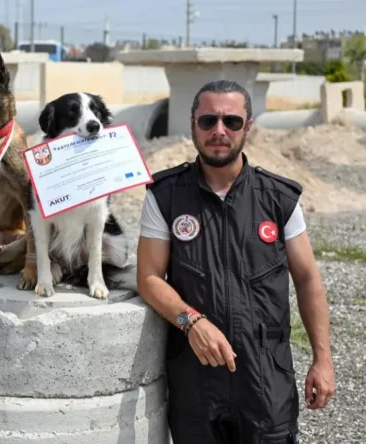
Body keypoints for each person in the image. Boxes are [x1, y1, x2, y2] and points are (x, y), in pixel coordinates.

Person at [136, 80, 335, 443]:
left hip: (266, 381)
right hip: (195, 380)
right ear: (192, 122)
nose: (219, 131)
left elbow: (307, 281)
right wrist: (191, 321)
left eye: (232, 121)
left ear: (249, 126)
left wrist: (323, 359)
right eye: (208, 120)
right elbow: (149, 277)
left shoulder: (280, 199)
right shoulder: (164, 196)